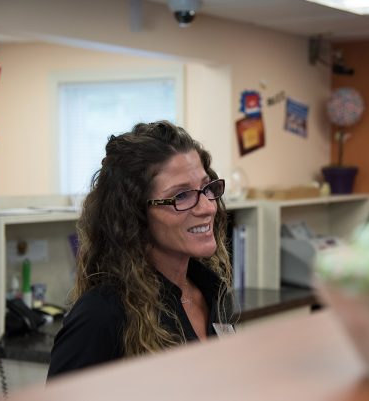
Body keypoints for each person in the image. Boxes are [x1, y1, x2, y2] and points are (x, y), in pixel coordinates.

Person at [47, 120, 235, 379]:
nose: (208, 208)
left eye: (206, 188)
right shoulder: (101, 315)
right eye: (181, 196)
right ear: (134, 215)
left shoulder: (212, 289)